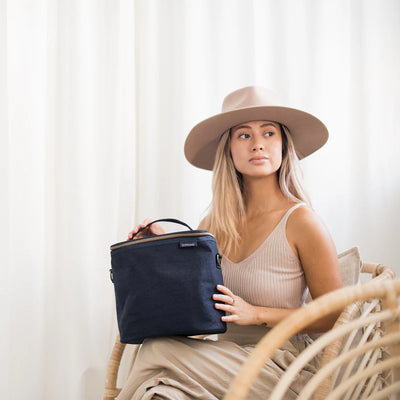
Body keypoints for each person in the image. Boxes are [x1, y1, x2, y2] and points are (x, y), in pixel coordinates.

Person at [118, 86, 342, 400]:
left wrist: (256, 313)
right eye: (244, 135)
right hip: (218, 362)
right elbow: (190, 300)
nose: (258, 144)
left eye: (269, 133)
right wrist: (158, 248)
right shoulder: (212, 226)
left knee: (156, 350)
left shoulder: (302, 221)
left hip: (281, 369)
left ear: (283, 144)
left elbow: (334, 314)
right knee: (159, 394)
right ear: (229, 150)